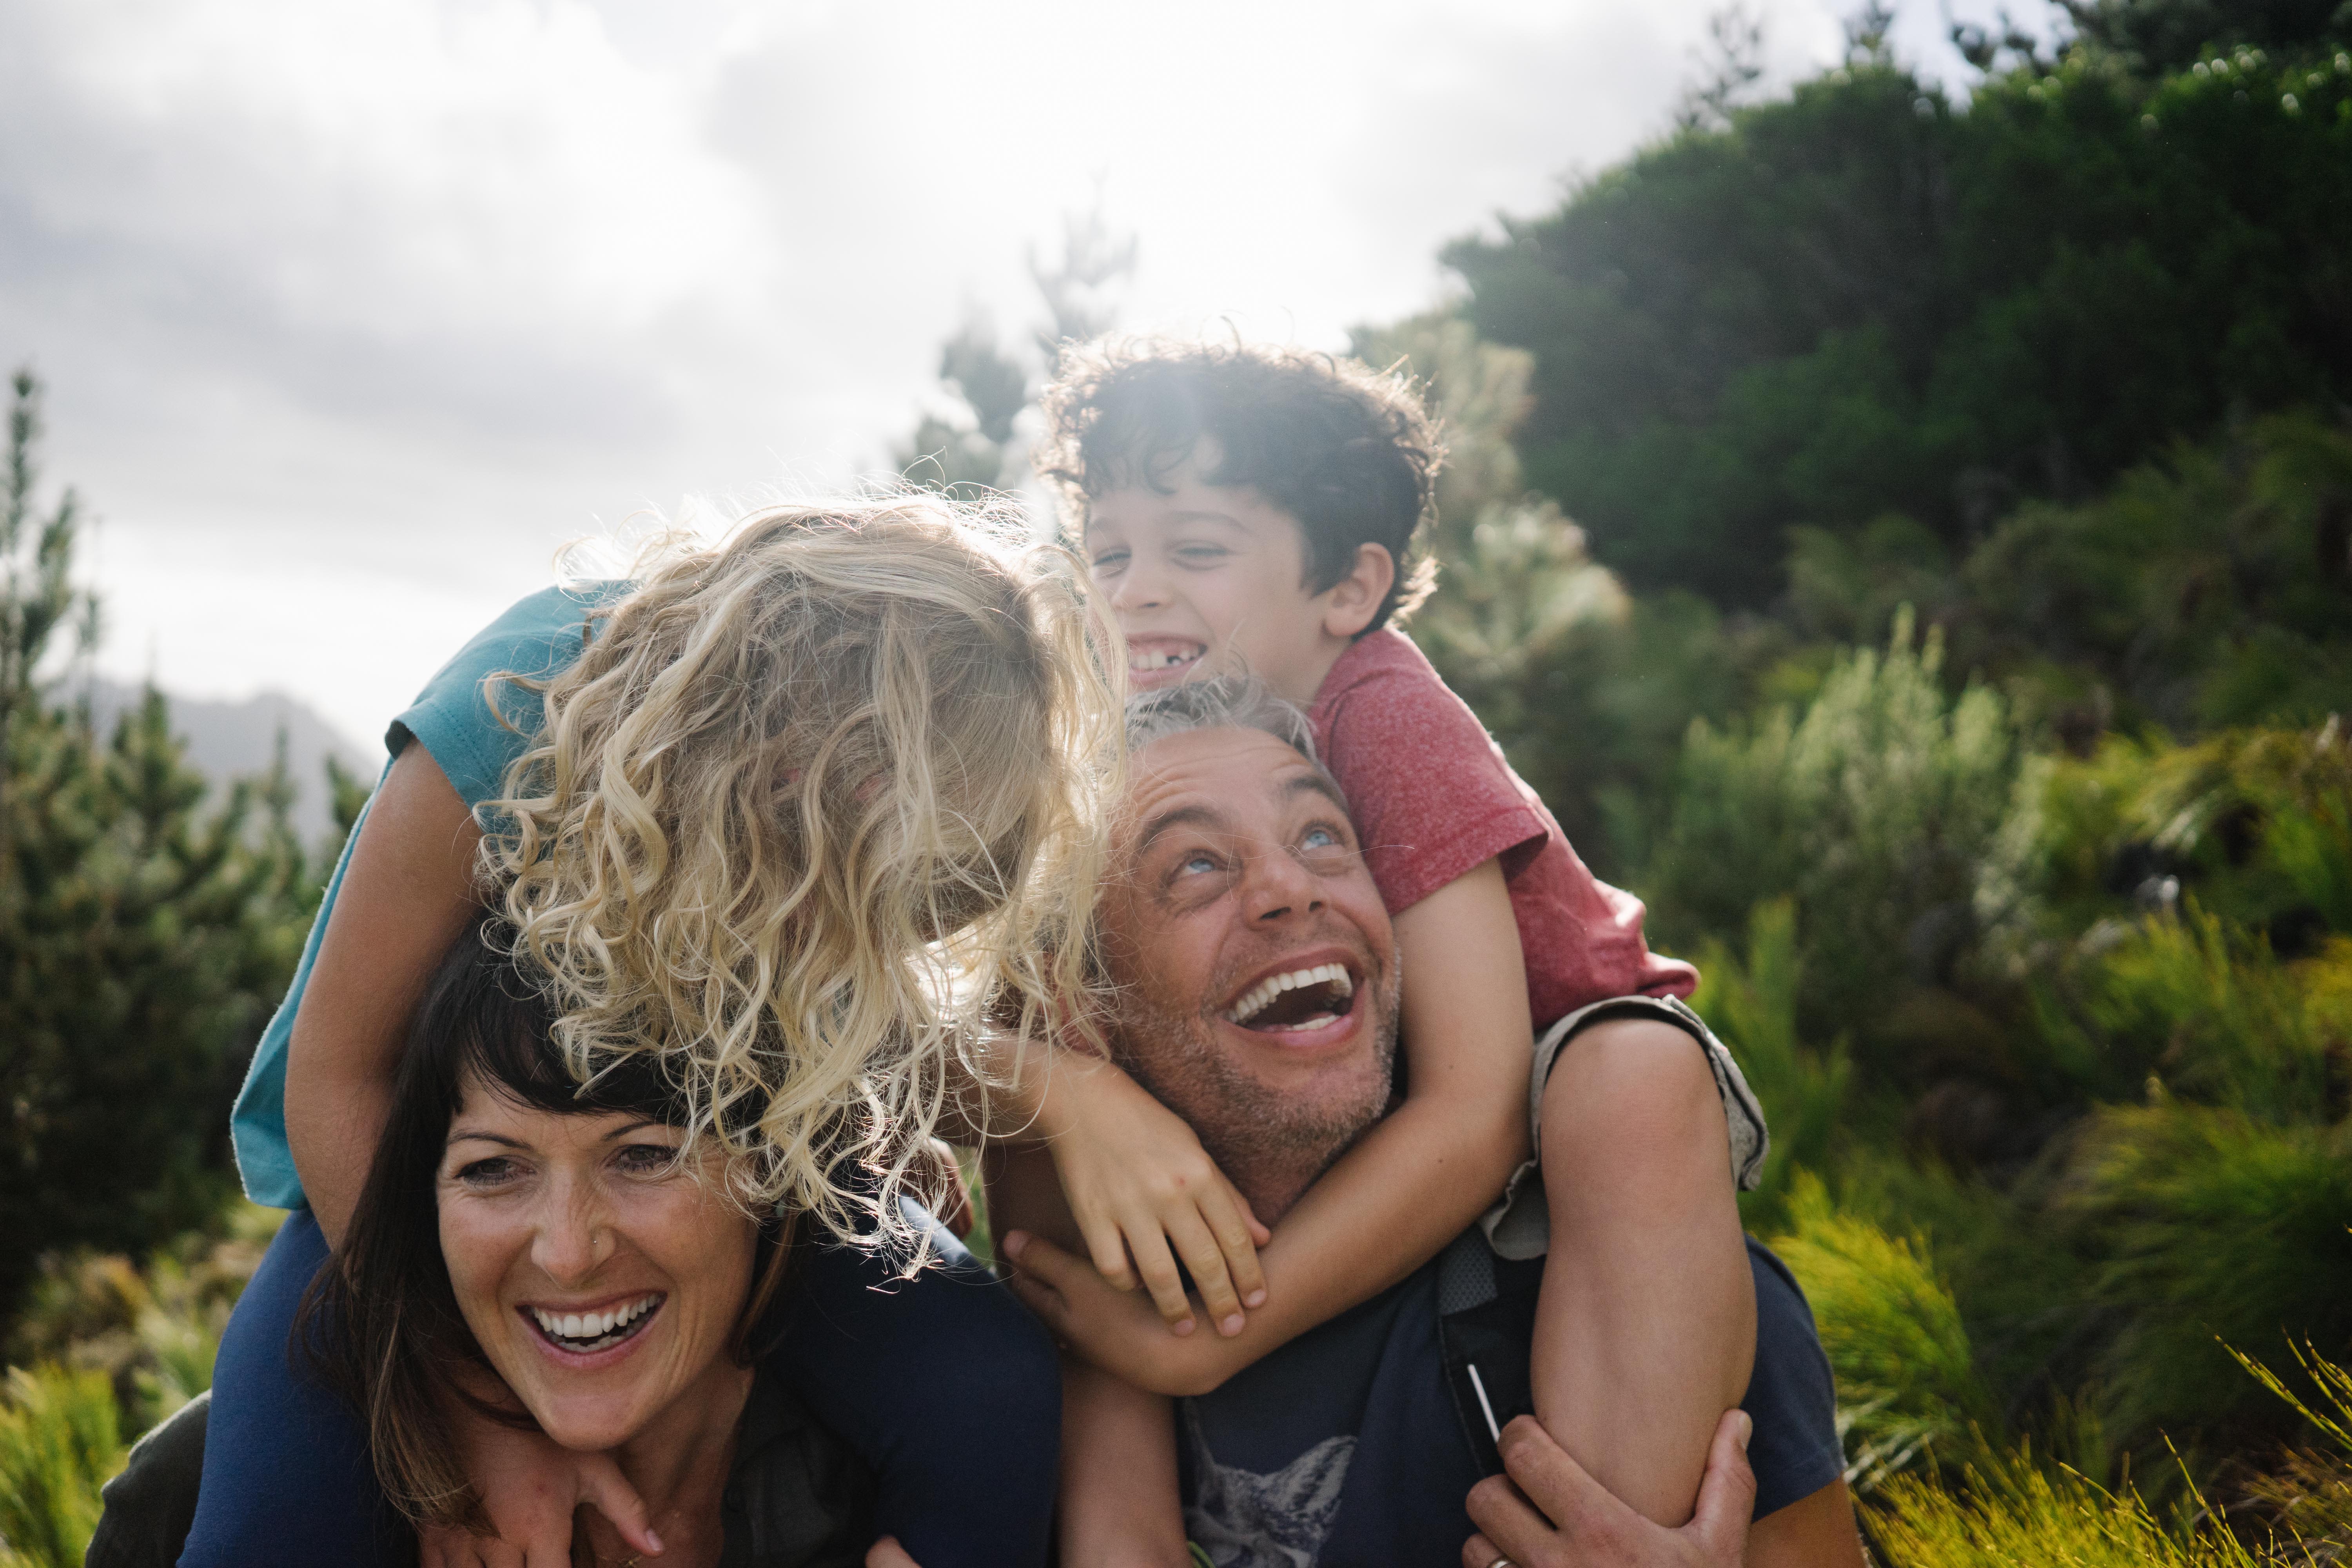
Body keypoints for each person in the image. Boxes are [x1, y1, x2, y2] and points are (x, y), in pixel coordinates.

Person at [179, 496, 1119, 1568]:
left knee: (984, 1381)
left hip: (720, 1177)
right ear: (778, 721)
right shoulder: (519, 701)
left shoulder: (907, 816)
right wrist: (481, 1421)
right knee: (268, 1533)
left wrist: (881, 1141)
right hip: (411, 1197)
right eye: (840, 834)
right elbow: (340, 1083)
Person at [1001, 339, 1767, 1557]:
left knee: (1627, 1088)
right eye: (1109, 555)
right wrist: (1067, 1087)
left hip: (1581, 1099)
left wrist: (1217, 1336)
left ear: (1347, 591)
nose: (1134, 592)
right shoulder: (1118, 770)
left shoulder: (1383, 716)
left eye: (1195, 550)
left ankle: (1606, 1528)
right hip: (1425, 1115)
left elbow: (1475, 1113)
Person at [997, 682, 1864, 1566]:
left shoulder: (1637, 1280)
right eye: (1195, 864)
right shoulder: (1101, 1313)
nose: (1291, 887)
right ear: (1085, 999)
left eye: (1323, 837)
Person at [98, 920, 928, 1566]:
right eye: (494, 1169)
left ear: (770, 1172)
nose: (567, 1251)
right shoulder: (206, 1489)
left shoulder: (906, 1492)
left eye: (643, 1154)